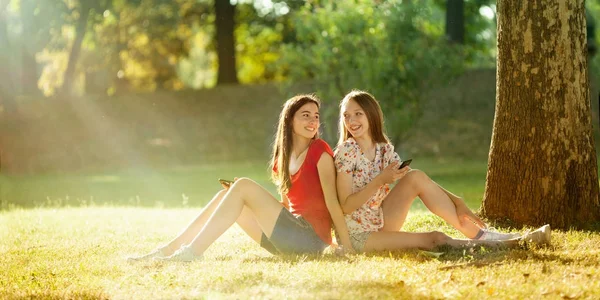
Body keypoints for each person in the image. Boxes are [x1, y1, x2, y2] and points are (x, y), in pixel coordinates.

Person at [128, 94, 354, 261]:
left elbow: (332, 201)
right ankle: (168, 251)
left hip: (310, 240)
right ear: (290, 121)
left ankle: (192, 253)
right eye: (305, 116)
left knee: (243, 185)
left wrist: (345, 245)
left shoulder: (320, 150)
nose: (313, 121)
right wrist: (243, 196)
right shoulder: (281, 161)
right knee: (227, 193)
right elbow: (286, 206)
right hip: (288, 238)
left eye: (315, 116)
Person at [334, 90, 551, 252]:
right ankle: (509, 245)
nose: (351, 121)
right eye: (346, 116)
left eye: (358, 114)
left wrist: (456, 200)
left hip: (381, 220)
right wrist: (380, 180)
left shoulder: (383, 149)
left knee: (415, 176)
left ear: (371, 115)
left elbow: (421, 181)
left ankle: (484, 235)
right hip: (358, 234)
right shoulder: (347, 151)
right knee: (435, 238)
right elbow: (345, 206)